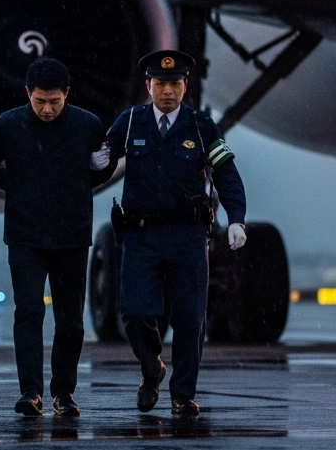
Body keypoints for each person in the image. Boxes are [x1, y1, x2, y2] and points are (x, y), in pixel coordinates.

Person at [104, 49, 247, 417]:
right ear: (149, 86)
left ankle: (182, 394)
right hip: (141, 235)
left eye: (175, 84)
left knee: (189, 317)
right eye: (160, 84)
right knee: (135, 312)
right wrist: (90, 166)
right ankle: (152, 366)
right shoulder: (131, 122)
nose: (168, 91)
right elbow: (101, 161)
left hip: (187, 236)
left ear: (185, 86)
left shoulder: (201, 128)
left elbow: (226, 175)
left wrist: (237, 218)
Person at [0, 57, 112, 417]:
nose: (47, 108)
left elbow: (99, 170)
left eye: (54, 101)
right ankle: (31, 392)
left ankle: (64, 393)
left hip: (71, 235)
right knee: (28, 311)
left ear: (66, 94)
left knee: (70, 319)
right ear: (28, 93)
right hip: (25, 235)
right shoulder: (8, 125)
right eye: (39, 101)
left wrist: (92, 176)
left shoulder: (87, 125)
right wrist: (16, 188)